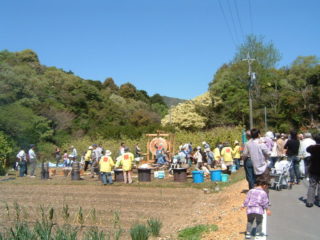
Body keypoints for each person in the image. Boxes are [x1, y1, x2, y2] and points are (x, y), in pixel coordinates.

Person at [305, 134, 320, 208]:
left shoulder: (312, 148)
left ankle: (309, 201)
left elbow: (307, 149)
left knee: (312, 185)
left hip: (313, 168)